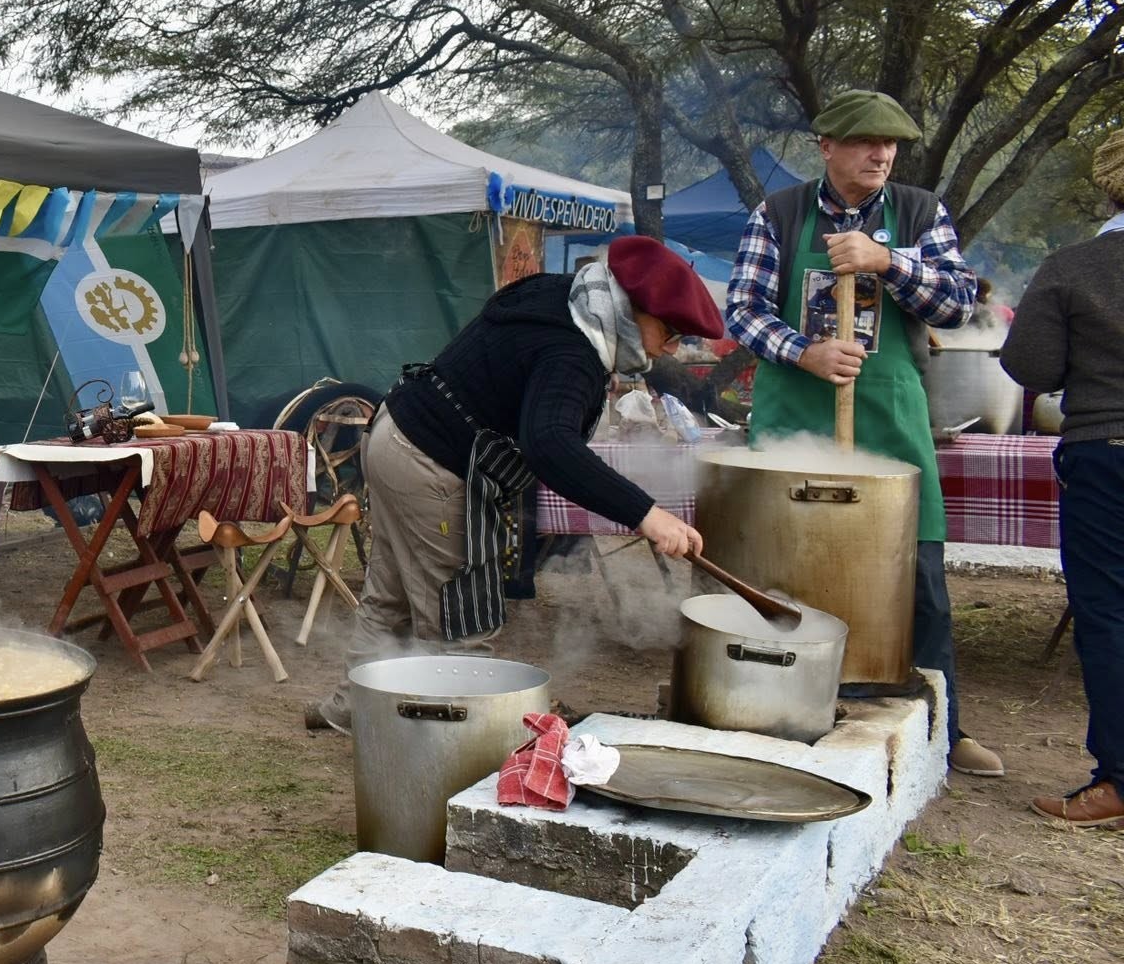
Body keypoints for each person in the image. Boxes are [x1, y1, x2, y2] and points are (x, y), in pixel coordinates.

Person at [308, 236, 718, 732]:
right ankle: (464, 739)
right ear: (633, 310)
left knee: (389, 596)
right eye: (670, 333)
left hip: (397, 431)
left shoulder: (563, 295)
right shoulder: (574, 353)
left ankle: (353, 709)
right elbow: (549, 443)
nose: (670, 348)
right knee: (457, 612)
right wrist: (646, 514)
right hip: (428, 461)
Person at [724, 89, 1000, 777]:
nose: (881, 154)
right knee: (786, 569)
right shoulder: (780, 215)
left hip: (890, 418)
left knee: (919, 576)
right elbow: (743, 311)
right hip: (797, 416)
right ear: (826, 148)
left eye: (891, 144)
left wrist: (887, 262)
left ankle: (941, 724)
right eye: (865, 142)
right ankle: (777, 708)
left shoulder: (919, 211)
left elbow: (960, 302)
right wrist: (803, 350)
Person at [997, 129, 1124, 828]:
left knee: (1108, 615)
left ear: (1108, 186)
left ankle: (1121, 782)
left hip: (1108, 452)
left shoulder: (1075, 267)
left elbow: (1032, 368)